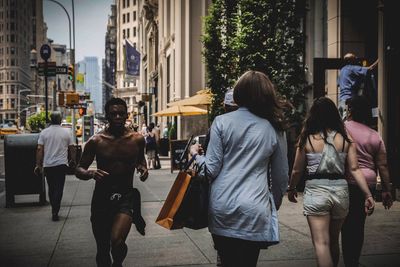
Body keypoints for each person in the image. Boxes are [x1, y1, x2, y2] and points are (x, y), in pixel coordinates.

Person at [190, 71, 289, 267]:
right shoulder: (275, 127)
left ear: (238, 94)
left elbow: (210, 170)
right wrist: (273, 204)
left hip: (222, 207)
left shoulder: (222, 122)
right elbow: (280, 176)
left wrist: (195, 154)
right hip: (255, 208)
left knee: (226, 261)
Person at [287, 97, 375, 267]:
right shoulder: (345, 138)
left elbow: (297, 170)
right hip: (341, 191)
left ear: (313, 115)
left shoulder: (307, 138)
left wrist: (291, 188)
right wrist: (368, 194)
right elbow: (355, 169)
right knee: (333, 242)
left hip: (316, 190)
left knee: (321, 244)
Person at [75, 98, 148, 267]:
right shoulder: (96, 141)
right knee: (102, 249)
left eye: (121, 113)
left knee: (117, 242)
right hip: (101, 198)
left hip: (125, 196)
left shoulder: (137, 139)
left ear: (126, 115)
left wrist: (143, 169)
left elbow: (141, 161)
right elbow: (79, 169)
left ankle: (118, 263)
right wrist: (91, 173)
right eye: (113, 114)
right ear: (107, 116)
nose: (117, 117)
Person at [341, 96, 393, 267]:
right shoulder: (374, 135)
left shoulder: (341, 128)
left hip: (345, 181)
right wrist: (386, 190)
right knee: (357, 224)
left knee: (343, 224)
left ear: (350, 110)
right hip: (367, 184)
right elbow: (383, 165)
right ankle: (352, 261)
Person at [34, 112, 76, 221]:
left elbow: (39, 149)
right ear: (60, 120)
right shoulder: (66, 132)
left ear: (51, 120)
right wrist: (73, 160)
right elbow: (72, 148)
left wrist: (38, 165)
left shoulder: (44, 133)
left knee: (51, 188)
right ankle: (55, 210)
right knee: (59, 188)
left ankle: (54, 207)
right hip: (61, 165)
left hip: (48, 165)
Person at [338, 53, 378, 119]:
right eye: (355, 59)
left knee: (343, 123)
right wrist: (380, 59)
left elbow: (339, 84)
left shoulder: (342, 70)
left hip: (342, 101)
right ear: (350, 61)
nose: (357, 60)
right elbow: (369, 69)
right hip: (350, 100)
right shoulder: (352, 68)